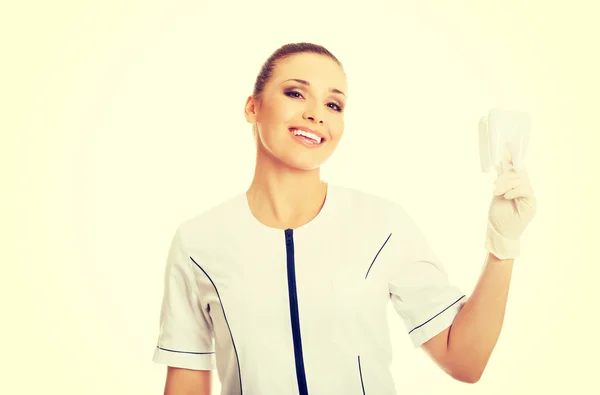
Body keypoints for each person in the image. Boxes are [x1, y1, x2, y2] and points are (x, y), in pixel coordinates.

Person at [152, 42, 537, 395]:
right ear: (253, 106)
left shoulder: (382, 225)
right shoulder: (198, 243)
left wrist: (502, 245)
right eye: (295, 93)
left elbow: (465, 361)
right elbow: (186, 382)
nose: (315, 114)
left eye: (333, 105)